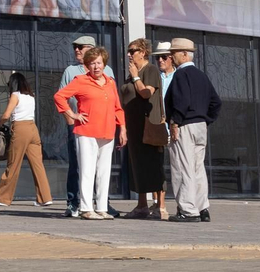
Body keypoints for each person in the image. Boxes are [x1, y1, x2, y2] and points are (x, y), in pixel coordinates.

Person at [54, 45, 127, 220]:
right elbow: (59, 96)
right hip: (86, 131)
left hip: (108, 131)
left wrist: (122, 128)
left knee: (104, 171)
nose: (96, 67)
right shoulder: (80, 80)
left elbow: (118, 108)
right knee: (87, 170)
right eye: (92, 63)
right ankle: (87, 208)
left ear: (104, 64)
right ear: (87, 65)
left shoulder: (110, 82)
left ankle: (102, 208)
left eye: (99, 63)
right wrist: (72, 114)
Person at [166, 38, 222, 223]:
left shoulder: (181, 74)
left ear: (184, 54)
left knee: (183, 167)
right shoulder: (201, 75)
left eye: (174, 53)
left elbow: (182, 101)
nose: (171, 57)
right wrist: (206, 119)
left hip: (185, 125)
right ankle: (202, 207)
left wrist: (175, 122)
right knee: (198, 168)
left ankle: (188, 210)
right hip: (200, 126)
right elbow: (216, 102)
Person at [0, 72, 54, 207]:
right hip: (33, 129)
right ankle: (45, 197)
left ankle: (2, 198)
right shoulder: (31, 96)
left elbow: (6, 115)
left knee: (13, 163)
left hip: (20, 128)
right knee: (38, 165)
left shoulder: (15, 95)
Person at [122, 39, 167, 220]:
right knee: (137, 165)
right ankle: (142, 205)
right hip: (134, 126)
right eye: (128, 51)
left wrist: (136, 77)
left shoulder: (150, 70)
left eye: (132, 51)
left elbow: (146, 93)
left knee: (154, 163)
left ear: (143, 51)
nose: (129, 54)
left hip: (150, 124)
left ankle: (160, 206)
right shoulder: (133, 72)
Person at [59, 35, 95, 216]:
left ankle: (100, 202)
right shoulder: (70, 71)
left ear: (92, 49)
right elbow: (61, 98)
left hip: (97, 126)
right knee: (76, 164)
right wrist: (70, 120)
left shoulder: (107, 70)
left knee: (97, 164)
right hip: (76, 126)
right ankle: (73, 202)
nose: (77, 50)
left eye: (81, 47)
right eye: (75, 47)